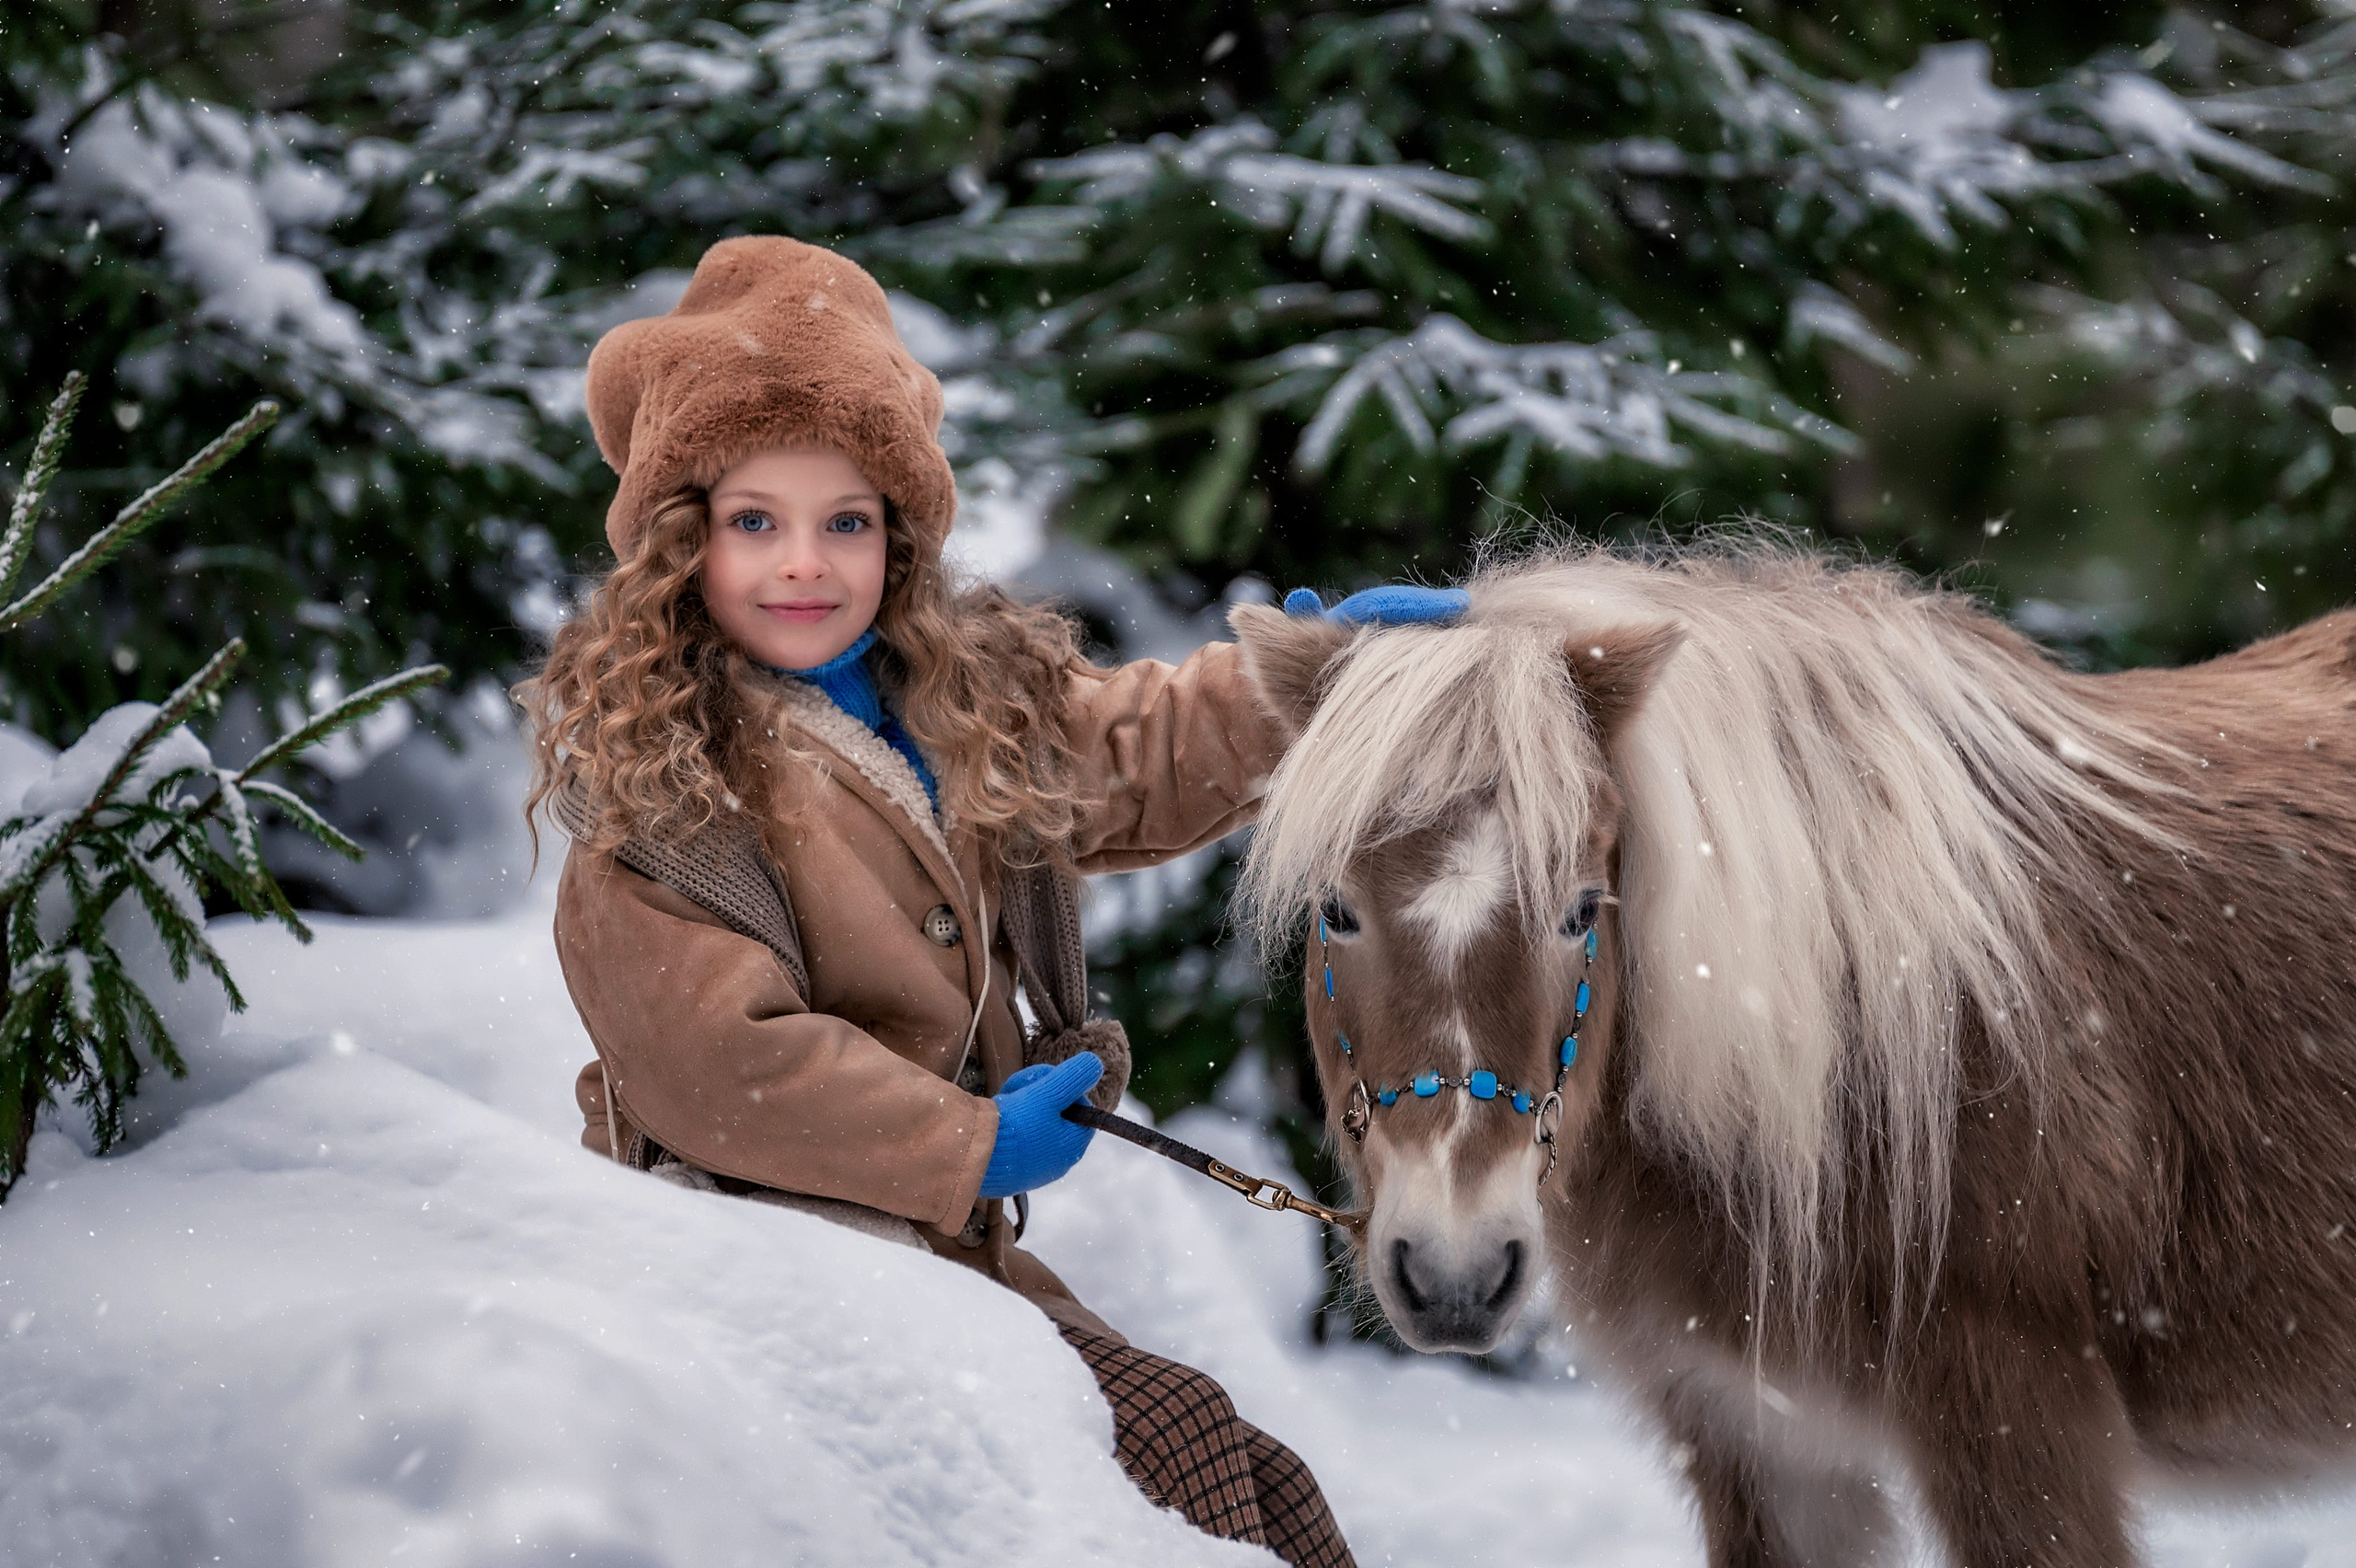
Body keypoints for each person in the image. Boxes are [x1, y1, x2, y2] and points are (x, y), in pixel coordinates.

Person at [522, 236, 1457, 1564]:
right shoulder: (661, 783)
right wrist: (966, 1144)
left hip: (932, 1261)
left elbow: (1129, 752)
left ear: (897, 538)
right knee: (1171, 1458)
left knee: (1256, 1484)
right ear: (685, 543)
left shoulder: (944, 704)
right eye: (756, 523)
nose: (806, 563)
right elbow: (717, 1066)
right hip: (765, 1263)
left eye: (846, 520)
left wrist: (1305, 687)